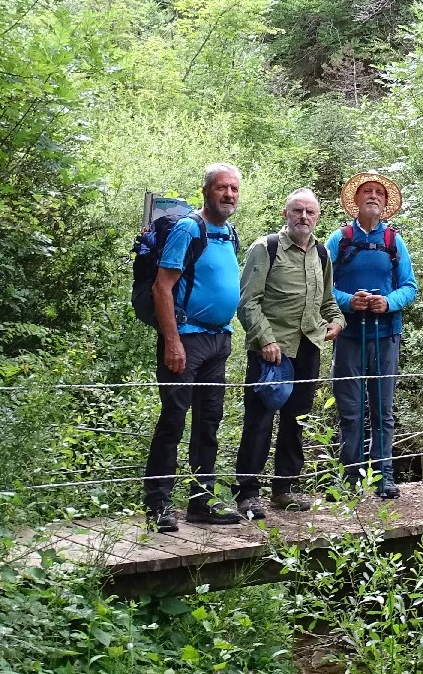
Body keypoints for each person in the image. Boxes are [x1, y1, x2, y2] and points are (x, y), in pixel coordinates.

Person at [144, 163, 245, 533]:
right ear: (206, 191)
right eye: (222, 188)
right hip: (186, 339)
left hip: (219, 339)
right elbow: (162, 287)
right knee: (173, 420)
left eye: (234, 189)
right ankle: (158, 504)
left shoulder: (228, 233)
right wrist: (172, 341)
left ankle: (201, 502)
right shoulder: (189, 228)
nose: (229, 194)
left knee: (208, 422)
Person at [235, 187, 345, 518]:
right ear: (286, 214)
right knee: (259, 421)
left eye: (310, 212)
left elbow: (327, 301)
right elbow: (247, 302)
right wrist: (266, 340)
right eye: (297, 210)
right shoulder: (266, 248)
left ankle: (284, 489)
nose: (304, 217)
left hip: (308, 348)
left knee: (296, 420)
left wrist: (337, 321)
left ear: (318, 217)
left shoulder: (322, 253)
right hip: (270, 352)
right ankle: (247, 494)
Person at [325, 172, 418, 498]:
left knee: (383, 409)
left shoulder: (394, 241)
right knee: (350, 409)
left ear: (385, 202)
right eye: (367, 191)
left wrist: (387, 302)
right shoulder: (339, 239)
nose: (373, 196)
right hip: (348, 335)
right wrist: (349, 301)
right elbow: (321, 285)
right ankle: (349, 478)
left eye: (379, 192)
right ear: (356, 199)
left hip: (386, 335)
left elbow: (410, 286)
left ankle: (383, 476)